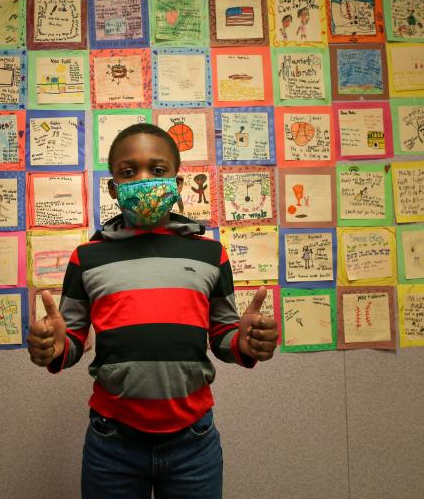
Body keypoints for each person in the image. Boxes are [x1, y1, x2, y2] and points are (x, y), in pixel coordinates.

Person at [27, 123, 278, 499]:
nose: (143, 179)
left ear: (177, 185)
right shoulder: (87, 257)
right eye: (129, 172)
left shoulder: (211, 254)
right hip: (111, 441)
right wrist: (54, 347)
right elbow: (72, 341)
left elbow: (224, 337)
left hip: (193, 441)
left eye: (157, 170)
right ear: (113, 188)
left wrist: (245, 341)